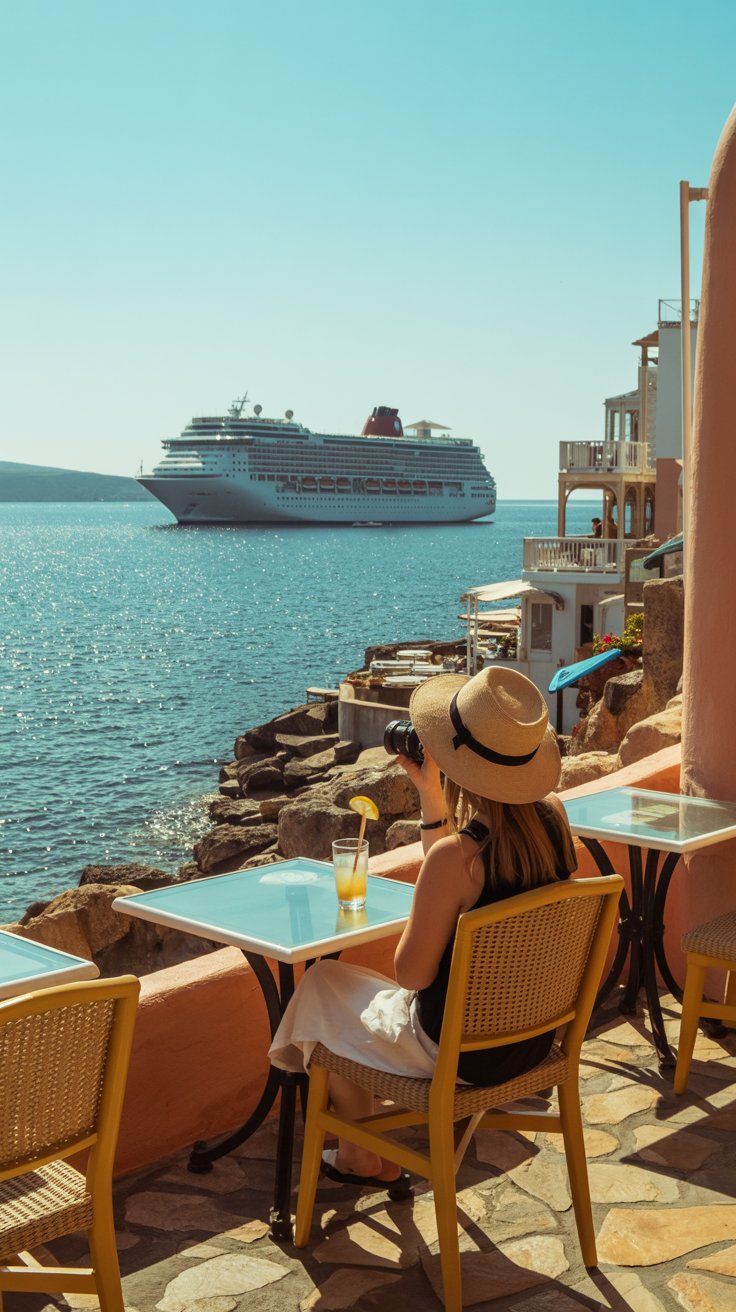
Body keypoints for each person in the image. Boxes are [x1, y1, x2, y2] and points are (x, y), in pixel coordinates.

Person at [268, 667, 577, 1190]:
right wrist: (430, 794)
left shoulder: (459, 859)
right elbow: (459, 872)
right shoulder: (553, 823)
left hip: (457, 1054)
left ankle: (356, 1152)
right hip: (530, 1041)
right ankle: (354, 1150)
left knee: (322, 984)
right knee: (344, 994)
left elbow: (411, 975)